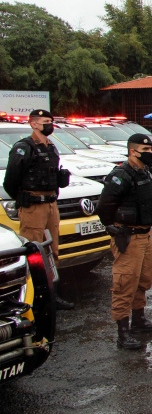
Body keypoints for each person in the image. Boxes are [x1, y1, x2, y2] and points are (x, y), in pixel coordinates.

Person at [97, 134, 152, 350]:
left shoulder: (145, 173)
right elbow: (104, 206)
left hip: (145, 234)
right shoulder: (121, 175)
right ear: (133, 151)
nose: (150, 154)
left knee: (142, 280)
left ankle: (139, 320)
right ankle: (122, 333)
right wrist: (112, 227)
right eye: (145, 150)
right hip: (129, 236)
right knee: (125, 283)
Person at [4, 109, 73, 309]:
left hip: (51, 205)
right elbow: (11, 180)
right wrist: (23, 199)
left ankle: (52, 295)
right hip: (33, 206)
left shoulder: (51, 147)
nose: (49, 124)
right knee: (34, 253)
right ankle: (34, 297)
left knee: (52, 252)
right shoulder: (24, 147)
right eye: (45, 121)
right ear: (33, 124)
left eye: (50, 121)